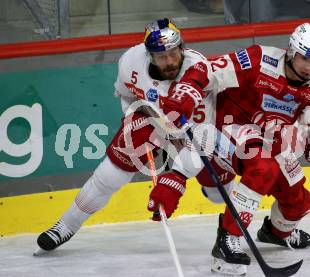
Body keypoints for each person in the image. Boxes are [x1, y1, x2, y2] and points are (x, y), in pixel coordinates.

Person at [148, 22, 310, 275]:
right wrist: (187, 93)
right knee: (262, 168)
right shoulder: (260, 60)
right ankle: (227, 239)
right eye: (305, 59)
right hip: (232, 126)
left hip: (271, 140)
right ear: (291, 50)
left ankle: (275, 233)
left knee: (299, 202)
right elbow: (207, 69)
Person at [34, 18, 213, 255]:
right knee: (110, 173)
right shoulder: (131, 61)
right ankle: (66, 225)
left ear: (182, 47)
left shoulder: (200, 70)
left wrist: (174, 180)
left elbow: (206, 138)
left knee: (217, 194)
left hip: (198, 132)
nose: (169, 61)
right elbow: (127, 96)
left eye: (173, 53)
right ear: (149, 55)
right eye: (161, 56)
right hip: (154, 121)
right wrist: (135, 116)